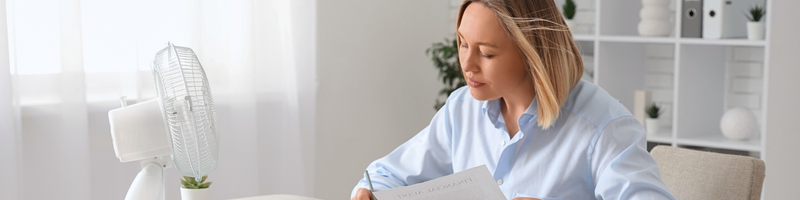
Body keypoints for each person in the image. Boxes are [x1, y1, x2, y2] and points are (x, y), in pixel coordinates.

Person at [351, 0, 675, 199]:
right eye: (463, 44)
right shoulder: (463, 108)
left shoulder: (603, 125)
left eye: (487, 53)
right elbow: (384, 175)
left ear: (530, 52)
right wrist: (367, 192)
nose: (466, 64)